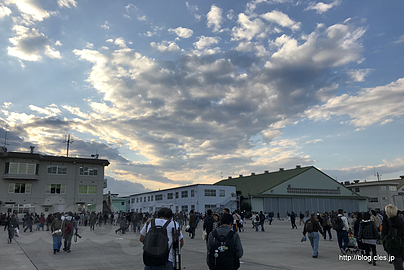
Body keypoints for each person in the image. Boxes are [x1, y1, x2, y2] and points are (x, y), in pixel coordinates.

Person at [382, 204, 404, 270]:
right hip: (402, 245)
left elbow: (384, 235)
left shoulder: (386, 222)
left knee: (398, 266)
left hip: (393, 247)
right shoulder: (401, 220)